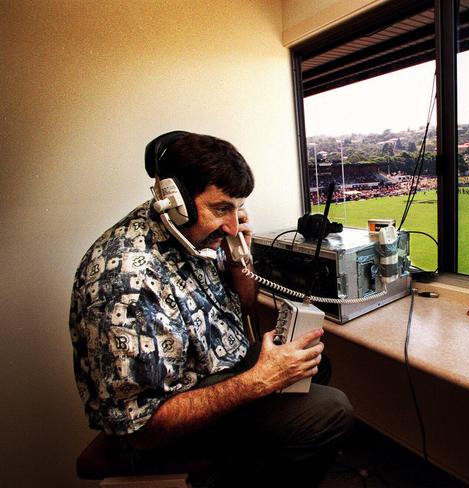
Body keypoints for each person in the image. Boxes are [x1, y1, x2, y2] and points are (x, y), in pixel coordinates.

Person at [69, 131, 354, 487]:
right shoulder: (128, 280)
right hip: (167, 422)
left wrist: (240, 257)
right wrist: (258, 381)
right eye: (222, 208)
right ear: (176, 200)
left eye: (239, 209)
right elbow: (142, 429)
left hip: (222, 372)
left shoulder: (195, 233)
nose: (234, 224)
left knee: (314, 366)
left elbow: (246, 304)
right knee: (332, 410)